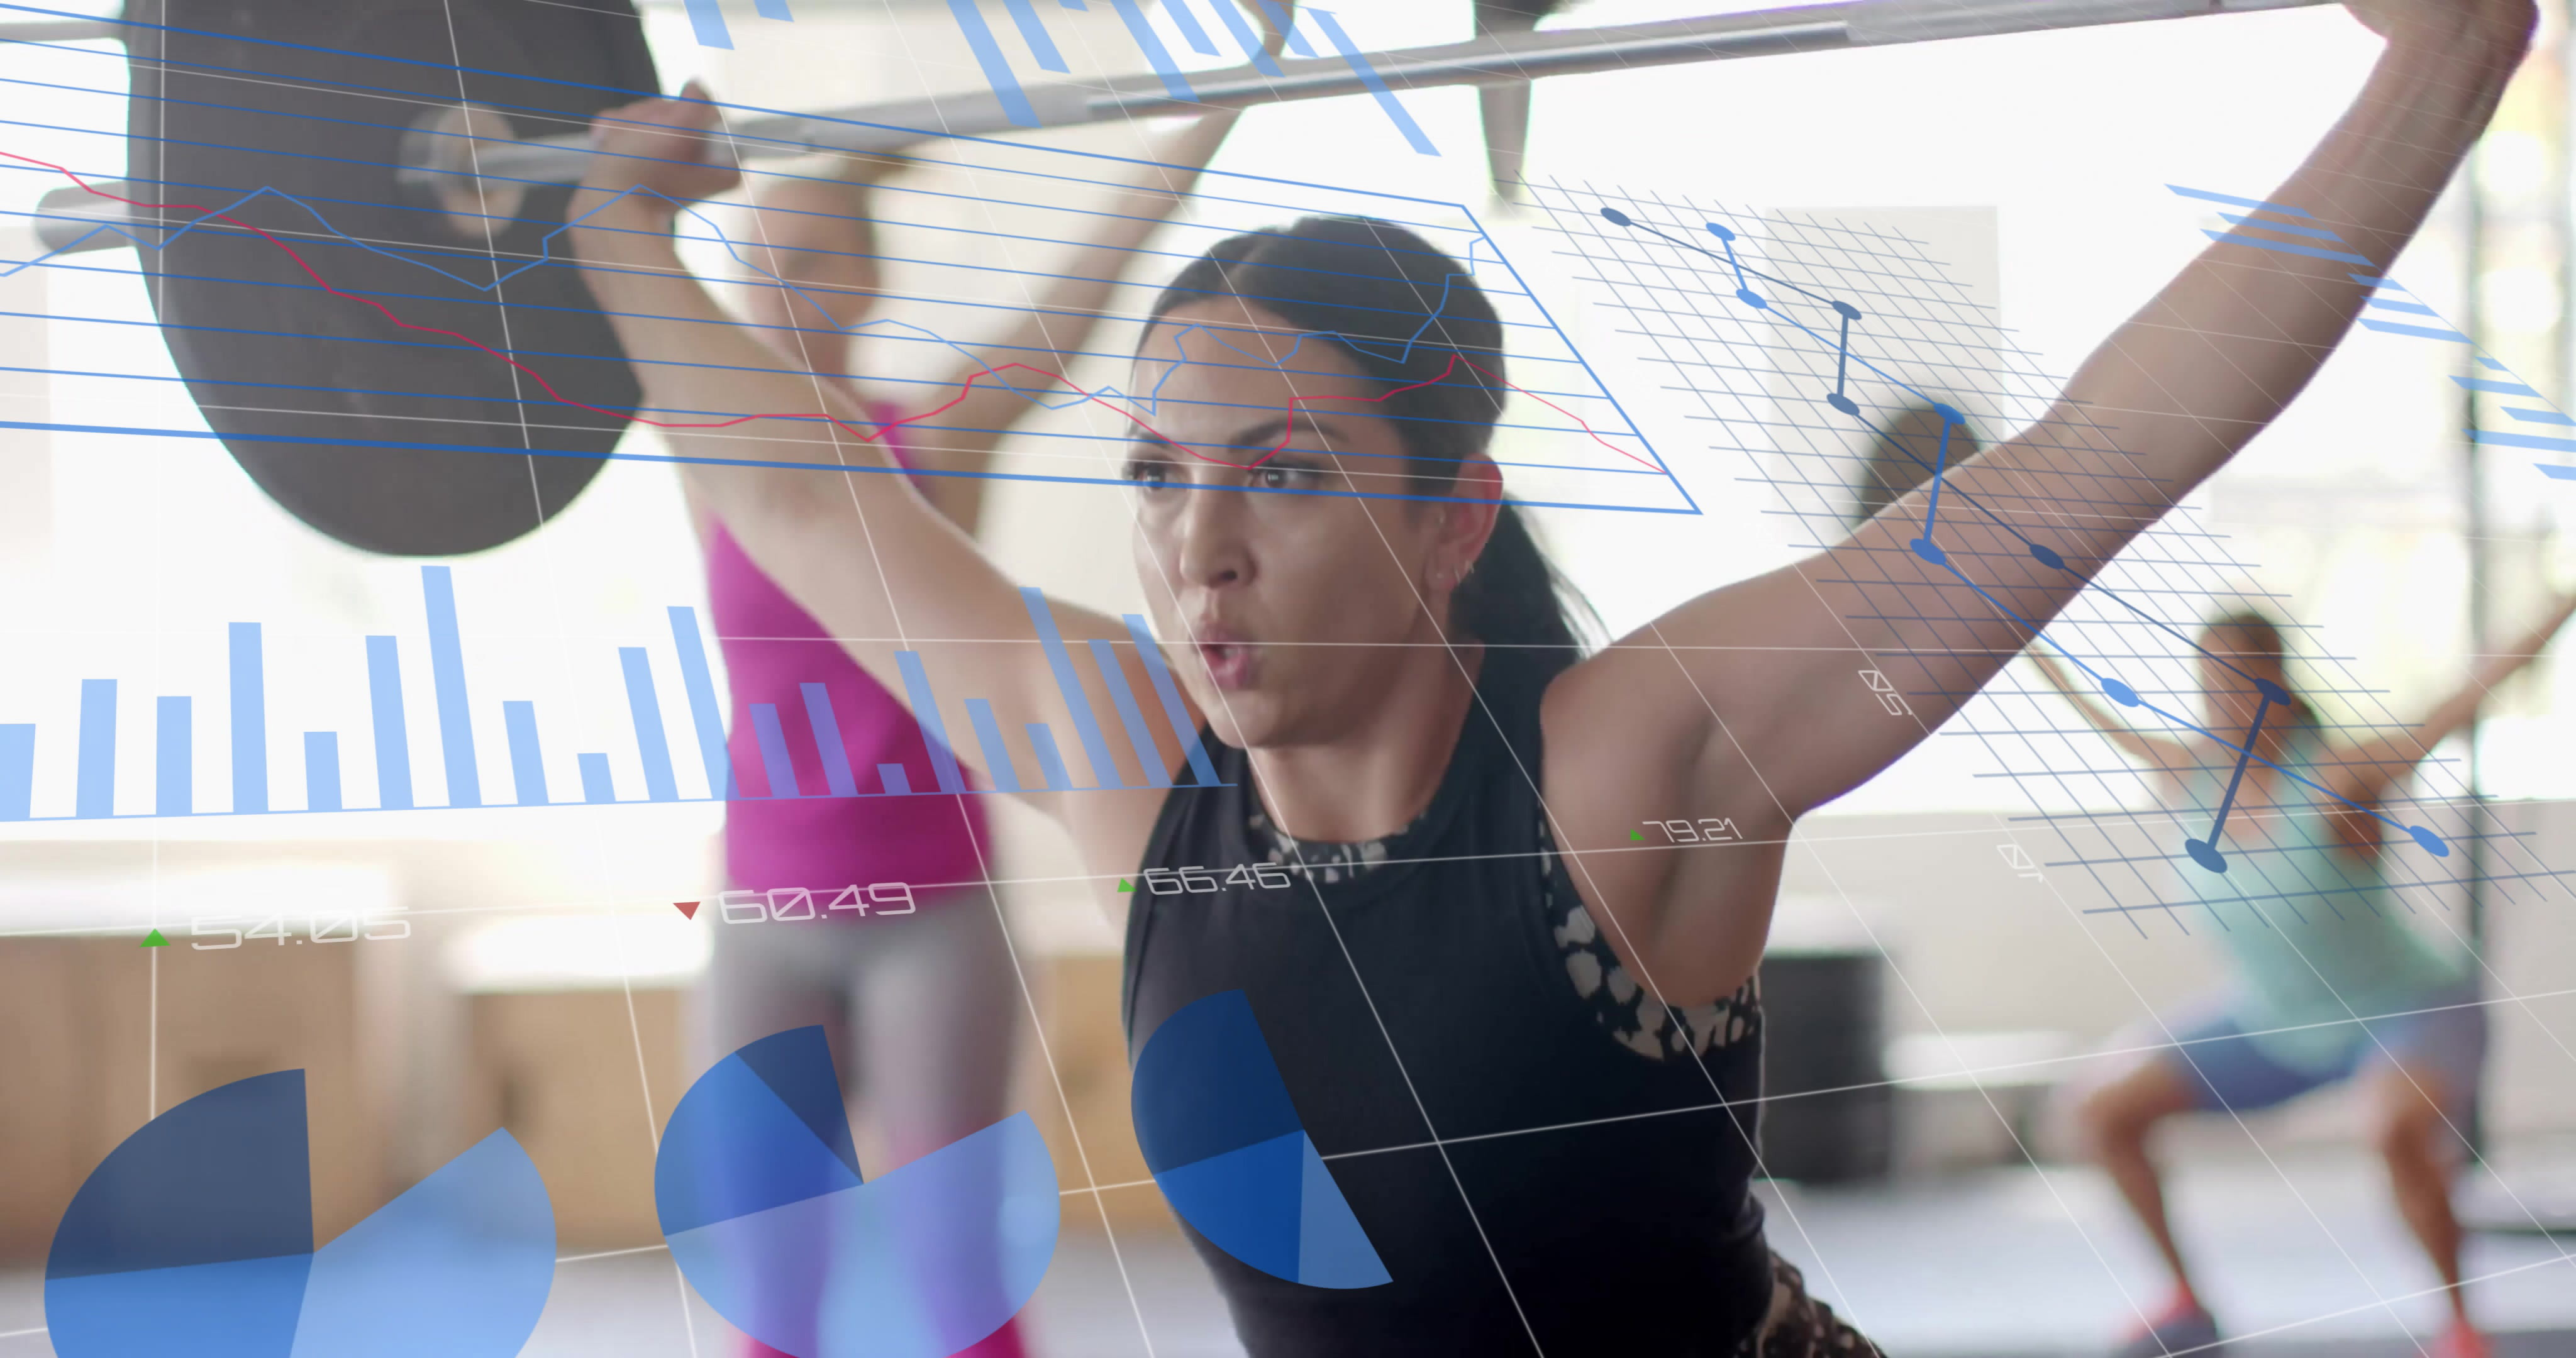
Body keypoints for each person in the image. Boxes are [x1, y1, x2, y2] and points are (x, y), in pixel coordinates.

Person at [566, 1, 2534, 1350]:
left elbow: (2089, 468)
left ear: (1448, 519)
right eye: (1157, 477)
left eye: (1287, 477)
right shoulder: (1135, 769)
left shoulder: (1625, 776)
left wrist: (2451, 56)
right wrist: (619, 237)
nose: (1197, 547)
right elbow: (810, 513)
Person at [677, 36, 1291, 1357]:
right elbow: (587, 284)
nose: (782, 281)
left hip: (928, 916)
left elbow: (1094, 275)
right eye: (758, 258)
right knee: (767, 1298)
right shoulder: (707, 449)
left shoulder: (931, 447)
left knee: (960, 1287)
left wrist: (1228, 94)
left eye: (814, 254)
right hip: (761, 911)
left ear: (869, 279)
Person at [2034, 593, 2576, 1358]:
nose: (2226, 700)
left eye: (2243, 680)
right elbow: (2086, 709)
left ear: (2278, 684)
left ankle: (2459, 1328)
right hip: (2275, 1023)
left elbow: (2453, 710)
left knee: (2393, 1130)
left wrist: (2553, 611)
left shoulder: (2337, 778)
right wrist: (2010, 619)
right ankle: (2185, 1301)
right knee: (2099, 1113)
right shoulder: (2189, 775)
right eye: (2211, 682)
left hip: (2406, 1008)